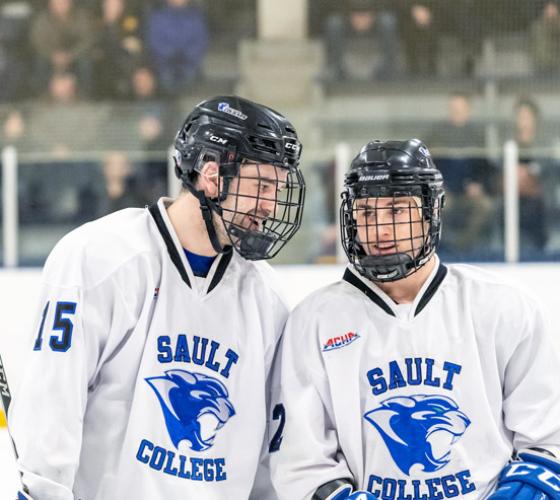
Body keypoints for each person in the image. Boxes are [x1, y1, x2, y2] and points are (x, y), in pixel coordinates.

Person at [8, 95, 306, 499]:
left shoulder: (267, 301)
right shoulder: (100, 259)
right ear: (212, 175)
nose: (270, 205)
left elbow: (271, 455)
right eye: (263, 185)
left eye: (279, 187)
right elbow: (53, 404)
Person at [269, 139, 560, 499]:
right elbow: (302, 464)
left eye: (396, 211)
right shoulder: (314, 321)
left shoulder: (503, 308)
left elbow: (548, 441)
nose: (380, 231)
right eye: (366, 213)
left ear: (431, 212)